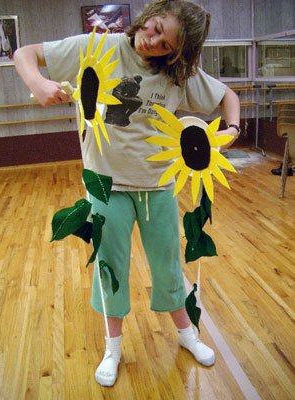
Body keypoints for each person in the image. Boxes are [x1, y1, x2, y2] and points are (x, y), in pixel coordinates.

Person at [14, 0, 240, 387]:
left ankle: (187, 334)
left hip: (158, 187)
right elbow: (25, 53)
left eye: (166, 43)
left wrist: (230, 132)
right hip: (106, 185)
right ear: (150, 13)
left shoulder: (177, 74)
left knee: (169, 265)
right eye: (153, 28)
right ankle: (112, 348)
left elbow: (226, 97)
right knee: (110, 270)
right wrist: (37, 82)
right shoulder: (97, 47)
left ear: (177, 52)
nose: (152, 41)